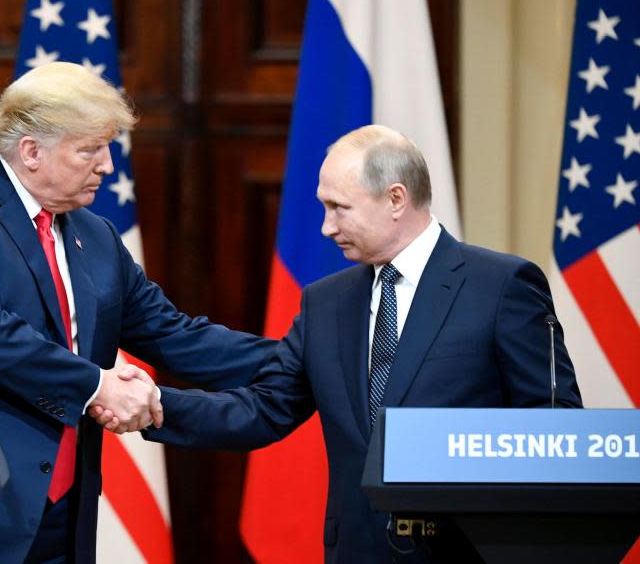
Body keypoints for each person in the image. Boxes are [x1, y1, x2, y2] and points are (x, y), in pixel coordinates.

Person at [95, 124, 583, 562]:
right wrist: (156, 405)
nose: (327, 227)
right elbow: (263, 410)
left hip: (468, 552)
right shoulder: (327, 303)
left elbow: (552, 430)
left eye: (338, 208)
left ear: (396, 199)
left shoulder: (501, 286)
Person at [0, 61, 274, 563]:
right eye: (90, 149)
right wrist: (97, 385)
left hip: (63, 517)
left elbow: (173, 335)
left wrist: (305, 358)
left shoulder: (96, 236)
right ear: (31, 151)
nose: (107, 165)